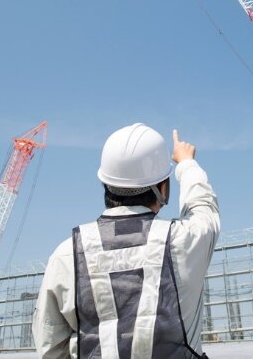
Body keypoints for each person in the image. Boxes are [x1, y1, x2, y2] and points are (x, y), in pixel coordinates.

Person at [33, 123, 220, 359]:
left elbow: (50, 345)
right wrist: (186, 163)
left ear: (106, 185)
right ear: (163, 188)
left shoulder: (67, 253)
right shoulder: (184, 240)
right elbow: (203, 207)